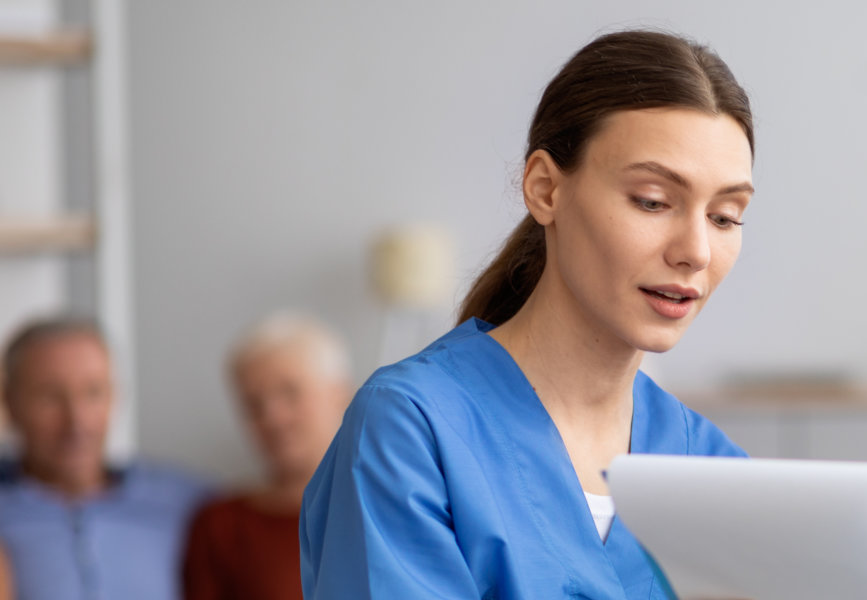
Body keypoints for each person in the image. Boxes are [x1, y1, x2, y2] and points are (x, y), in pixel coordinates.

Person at [300, 29, 754, 599]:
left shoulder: (713, 468)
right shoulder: (411, 430)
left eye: (726, 216)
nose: (696, 251)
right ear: (544, 189)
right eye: (653, 201)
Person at [0, 317, 209, 600]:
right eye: (50, 397)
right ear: (9, 403)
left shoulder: (186, 504)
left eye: (93, 393)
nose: (77, 421)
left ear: (115, 397)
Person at [183, 311, 351, 600]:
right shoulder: (222, 526)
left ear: (341, 394)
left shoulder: (389, 507)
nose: (272, 417)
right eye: (253, 404)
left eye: (290, 392)